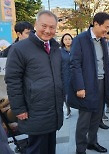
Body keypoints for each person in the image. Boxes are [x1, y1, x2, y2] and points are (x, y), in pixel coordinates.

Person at [5, 10, 64, 154]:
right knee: (37, 148)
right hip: (33, 111)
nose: (48, 30)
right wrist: (19, 109)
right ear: (35, 25)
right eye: (44, 26)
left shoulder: (55, 48)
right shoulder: (19, 49)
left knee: (50, 147)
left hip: (53, 109)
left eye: (52, 27)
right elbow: (13, 80)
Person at [67, 12, 109, 154]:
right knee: (84, 120)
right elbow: (74, 64)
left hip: (102, 83)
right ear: (96, 23)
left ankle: (92, 142)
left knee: (97, 116)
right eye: (106, 26)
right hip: (87, 85)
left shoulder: (103, 41)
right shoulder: (81, 39)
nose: (107, 30)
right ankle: (80, 149)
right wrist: (79, 87)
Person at [60, 33, 73, 119]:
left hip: (75, 75)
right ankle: (68, 109)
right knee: (66, 95)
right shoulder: (60, 51)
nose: (68, 41)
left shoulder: (76, 49)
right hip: (65, 75)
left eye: (69, 39)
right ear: (63, 41)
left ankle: (81, 109)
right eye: (66, 39)